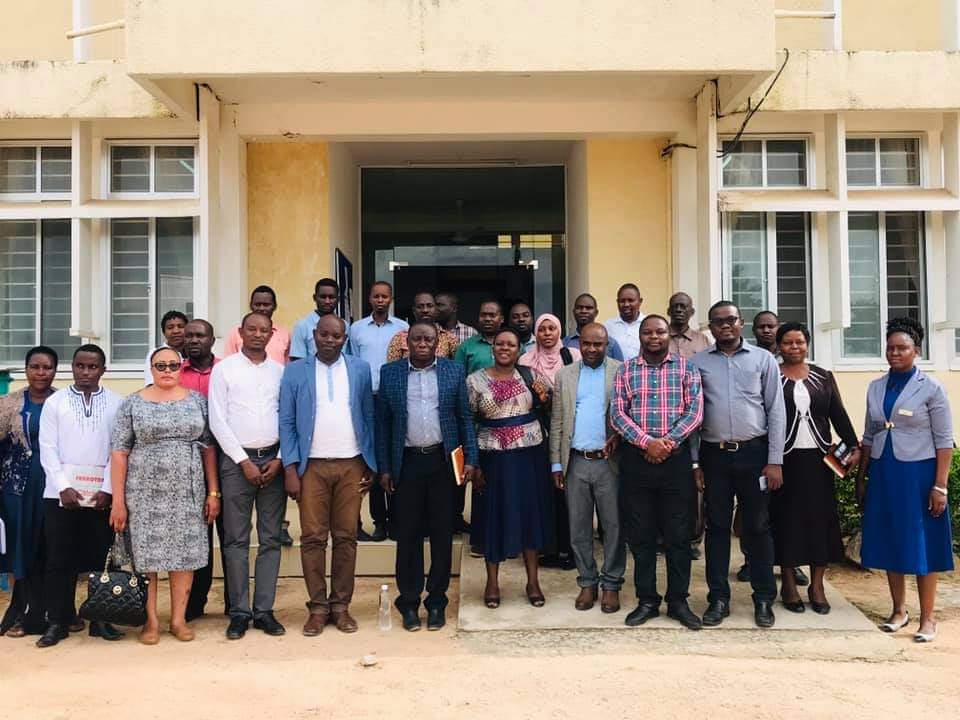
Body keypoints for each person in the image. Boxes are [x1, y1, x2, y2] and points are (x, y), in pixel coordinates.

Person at [109, 348, 220, 645]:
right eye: (161, 366)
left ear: (180, 368)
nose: (167, 370)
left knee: (183, 555)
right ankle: (151, 621)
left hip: (188, 491)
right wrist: (118, 501)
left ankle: (178, 619)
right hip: (143, 492)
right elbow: (119, 453)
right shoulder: (132, 403)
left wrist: (213, 491)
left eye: (173, 365)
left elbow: (208, 448)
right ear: (151, 368)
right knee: (146, 557)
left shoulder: (197, 401)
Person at [376, 322, 479, 631]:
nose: (422, 344)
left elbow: (464, 417)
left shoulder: (452, 371)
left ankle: (436, 602)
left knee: (441, 534)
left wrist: (471, 459)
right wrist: (384, 468)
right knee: (407, 535)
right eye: (417, 339)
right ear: (407, 342)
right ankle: (408, 603)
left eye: (428, 339)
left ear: (438, 343)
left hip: (442, 462)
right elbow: (382, 424)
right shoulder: (390, 373)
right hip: (406, 463)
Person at [857, 317, 954, 643]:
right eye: (890, 348)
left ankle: (928, 618)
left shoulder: (931, 388)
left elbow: (944, 440)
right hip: (885, 471)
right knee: (890, 538)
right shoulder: (876, 387)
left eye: (902, 348)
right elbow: (869, 434)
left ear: (917, 351)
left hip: (918, 474)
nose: (895, 353)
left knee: (923, 544)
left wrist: (940, 486)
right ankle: (899, 610)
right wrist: (862, 477)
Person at [280, 314, 377, 636]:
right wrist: (290, 467)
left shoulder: (360, 369)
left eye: (336, 336)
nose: (330, 340)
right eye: (324, 334)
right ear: (314, 335)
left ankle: (341, 605)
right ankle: (318, 607)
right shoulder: (295, 371)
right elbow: (287, 421)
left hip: (351, 463)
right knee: (313, 538)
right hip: (312, 467)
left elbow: (368, 415)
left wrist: (370, 462)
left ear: (344, 339)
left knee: (346, 537)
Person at [691, 301, 785, 629]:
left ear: (741, 322)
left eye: (730, 319)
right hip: (714, 456)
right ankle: (718, 598)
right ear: (710, 327)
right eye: (717, 321)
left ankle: (763, 598)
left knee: (757, 527)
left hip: (754, 455)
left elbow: (776, 411)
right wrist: (694, 463)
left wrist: (775, 461)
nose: (724, 325)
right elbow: (693, 415)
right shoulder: (698, 363)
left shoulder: (762, 360)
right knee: (717, 528)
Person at [611, 316, 704, 630]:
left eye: (660, 332)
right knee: (641, 536)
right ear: (640, 336)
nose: (654, 337)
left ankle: (678, 601)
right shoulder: (626, 370)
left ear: (668, 336)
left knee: (678, 535)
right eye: (648, 332)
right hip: (637, 462)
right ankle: (647, 600)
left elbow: (695, 411)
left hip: (675, 462)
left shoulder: (686, 368)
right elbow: (618, 413)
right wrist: (646, 443)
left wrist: (667, 443)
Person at [37, 344, 123, 648]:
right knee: (59, 559)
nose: (86, 372)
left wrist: (108, 489)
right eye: (80, 366)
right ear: (72, 367)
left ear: (103, 370)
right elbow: (47, 447)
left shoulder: (117, 403)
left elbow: (119, 449)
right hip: (60, 495)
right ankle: (58, 621)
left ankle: (101, 619)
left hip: (101, 496)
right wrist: (63, 486)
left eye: (92, 367)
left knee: (102, 558)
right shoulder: (56, 402)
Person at [208, 312, 286, 641]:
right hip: (236, 462)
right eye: (251, 329)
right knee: (236, 540)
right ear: (240, 332)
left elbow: (289, 418)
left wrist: (280, 459)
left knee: (271, 539)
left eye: (263, 330)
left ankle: (264, 610)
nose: (257, 334)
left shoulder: (281, 372)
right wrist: (243, 461)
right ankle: (239, 611)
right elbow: (217, 420)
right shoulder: (224, 369)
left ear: (271, 334)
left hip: (273, 462)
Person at [773, 322, 859, 615]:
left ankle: (817, 585)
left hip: (820, 461)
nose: (794, 347)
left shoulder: (823, 376)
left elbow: (839, 415)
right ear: (779, 346)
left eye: (799, 342)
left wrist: (853, 446)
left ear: (807, 344)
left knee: (820, 521)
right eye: (788, 342)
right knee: (787, 521)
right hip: (785, 460)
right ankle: (788, 583)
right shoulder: (771, 375)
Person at [467, 328, 554, 608]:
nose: (505, 348)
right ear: (492, 348)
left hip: (529, 457)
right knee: (493, 517)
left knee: (529, 516)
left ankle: (533, 582)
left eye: (511, 345)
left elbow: (549, 406)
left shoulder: (531, 375)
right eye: (500, 344)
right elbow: (468, 422)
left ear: (519, 350)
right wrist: (473, 463)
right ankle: (492, 583)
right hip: (491, 459)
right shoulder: (474, 381)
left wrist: (545, 398)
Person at [549, 324, 625, 613]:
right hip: (576, 462)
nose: (592, 349)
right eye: (587, 344)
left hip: (610, 463)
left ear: (607, 345)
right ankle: (587, 581)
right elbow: (557, 420)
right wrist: (556, 463)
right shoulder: (565, 375)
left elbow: (629, 413)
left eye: (598, 344)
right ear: (578, 344)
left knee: (613, 526)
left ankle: (612, 584)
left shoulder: (621, 371)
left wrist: (619, 439)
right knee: (578, 527)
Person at [0, 347, 58, 638]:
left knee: (48, 547)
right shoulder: (8, 403)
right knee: (20, 547)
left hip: (53, 487)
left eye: (47, 367)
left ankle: (51, 611)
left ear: (55, 371)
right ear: (26, 369)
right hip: (16, 488)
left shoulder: (63, 401)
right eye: (35, 367)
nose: (41, 373)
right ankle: (19, 609)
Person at [348, 281, 409, 542]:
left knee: (393, 455)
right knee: (373, 458)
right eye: (376, 296)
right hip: (367, 397)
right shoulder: (356, 329)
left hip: (394, 396)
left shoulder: (403, 328)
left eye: (385, 296)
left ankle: (396, 519)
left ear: (391, 299)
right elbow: (352, 362)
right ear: (370, 299)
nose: (380, 300)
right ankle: (379, 521)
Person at [179, 319, 230, 621]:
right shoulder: (175, 372)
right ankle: (195, 602)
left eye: (200, 335)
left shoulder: (225, 370)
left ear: (212, 339)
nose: (193, 340)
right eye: (189, 336)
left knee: (230, 533)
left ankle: (234, 602)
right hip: (188, 464)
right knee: (197, 536)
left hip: (226, 458)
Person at [520, 313, 580, 570]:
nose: (547, 333)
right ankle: (548, 548)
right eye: (542, 329)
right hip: (538, 433)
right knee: (543, 491)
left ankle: (570, 549)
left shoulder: (572, 355)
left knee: (567, 492)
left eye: (551, 328)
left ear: (559, 331)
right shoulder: (525, 360)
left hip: (569, 430)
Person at [453, 299, 504, 537]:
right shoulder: (467, 347)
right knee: (474, 472)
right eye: (484, 315)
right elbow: (457, 380)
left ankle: (501, 528)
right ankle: (475, 529)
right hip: (473, 421)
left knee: (501, 478)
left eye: (493, 315)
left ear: (501, 319)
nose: (488, 319)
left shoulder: (507, 343)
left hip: (505, 421)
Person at [224, 285, 291, 365]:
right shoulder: (236, 333)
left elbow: (288, 365)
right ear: (251, 306)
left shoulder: (285, 334)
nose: (261, 308)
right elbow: (228, 363)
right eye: (257, 304)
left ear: (274, 306)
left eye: (266, 305)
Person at [387, 292, 459, 361]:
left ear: (436, 309)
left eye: (429, 306)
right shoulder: (399, 338)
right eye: (420, 307)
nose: (425, 310)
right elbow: (392, 367)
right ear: (414, 310)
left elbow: (456, 366)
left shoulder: (449, 338)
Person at [291, 278, 342, 361]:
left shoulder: (345, 326)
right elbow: (297, 361)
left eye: (331, 297)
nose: (327, 301)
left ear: (338, 299)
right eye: (323, 297)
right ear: (315, 298)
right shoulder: (302, 326)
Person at [563, 293, 624, 361]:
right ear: (574, 312)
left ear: (596, 312)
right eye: (579, 308)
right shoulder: (565, 343)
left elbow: (620, 366)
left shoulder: (611, 343)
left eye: (588, 308)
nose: (583, 311)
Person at [143, 310, 188, 385]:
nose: (176, 331)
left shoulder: (193, 353)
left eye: (180, 326)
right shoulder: (155, 354)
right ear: (164, 332)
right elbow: (150, 385)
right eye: (170, 327)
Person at [604, 284, 644, 359]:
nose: (626, 304)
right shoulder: (608, 326)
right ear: (617, 302)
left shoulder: (647, 324)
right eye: (622, 301)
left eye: (631, 300)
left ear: (640, 301)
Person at [667, 292, 711, 359]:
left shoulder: (702, 339)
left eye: (683, 307)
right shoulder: (659, 338)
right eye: (675, 306)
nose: (678, 310)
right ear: (668, 311)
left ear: (692, 312)